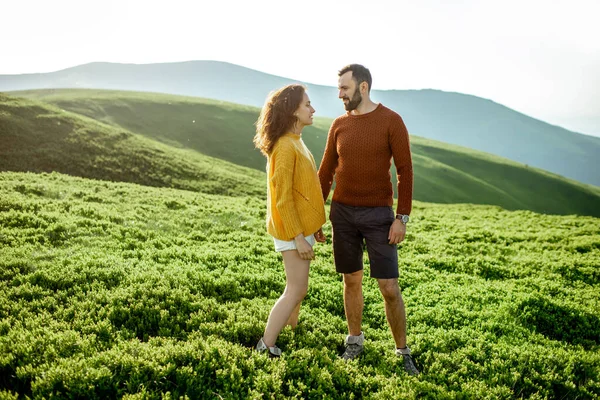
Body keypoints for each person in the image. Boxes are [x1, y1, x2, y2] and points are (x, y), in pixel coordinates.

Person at [318, 64, 419, 375]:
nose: (340, 95)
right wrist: (315, 216)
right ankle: (354, 341)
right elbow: (325, 173)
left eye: (344, 89)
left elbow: (405, 171)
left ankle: (402, 351)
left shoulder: (391, 121)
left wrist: (401, 217)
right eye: (339, 89)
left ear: (363, 87)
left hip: (379, 216)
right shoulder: (338, 125)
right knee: (351, 280)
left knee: (388, 286)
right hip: (343, 214)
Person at [253, 84, 326, 357]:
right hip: (289, 230)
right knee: (295, 289)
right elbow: (282, 198)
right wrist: (297, 236)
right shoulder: (285, 146)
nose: (313, 109)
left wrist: (312, 227)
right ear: (293, 110)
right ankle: (266, 345)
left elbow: (302, 190)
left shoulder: (295, 140)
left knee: (298, 290)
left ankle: (292, 335)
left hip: (298, 228)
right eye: (307, 104)